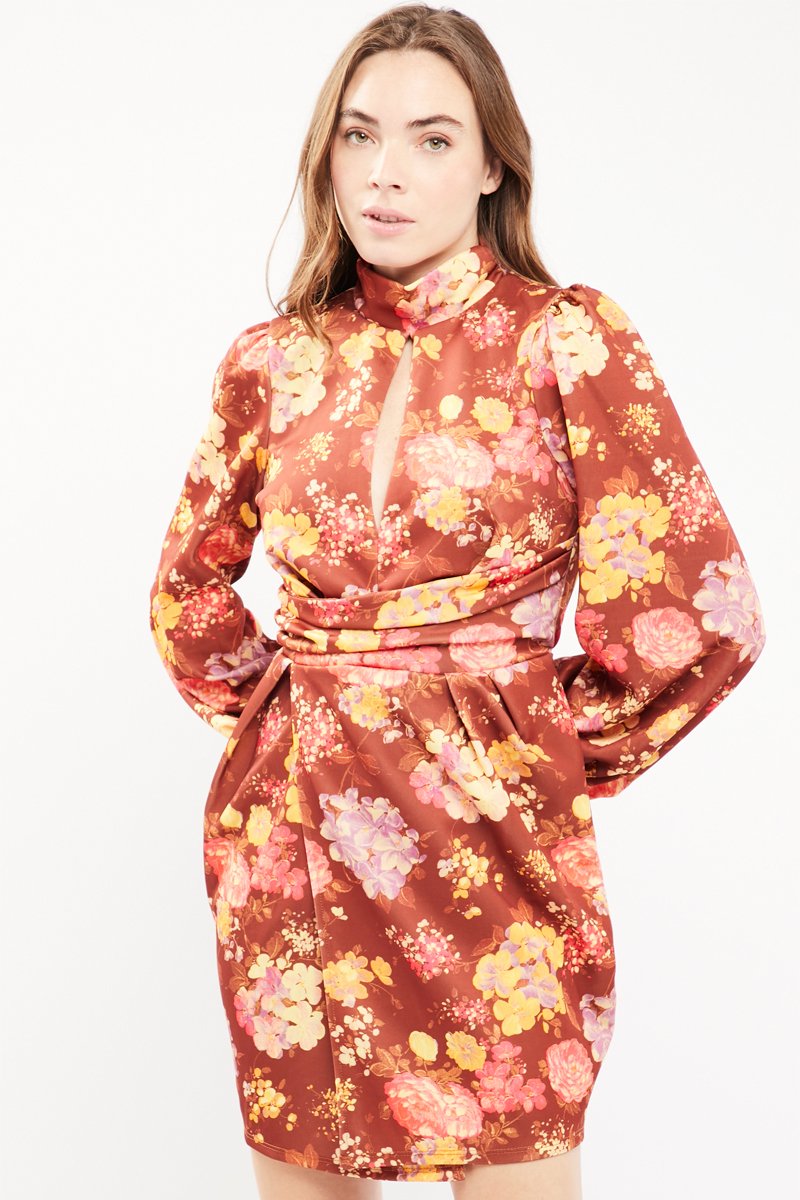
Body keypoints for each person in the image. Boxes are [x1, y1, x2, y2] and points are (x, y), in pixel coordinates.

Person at [147, 5, 766, 1198]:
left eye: (431, 139)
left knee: (518, 1161)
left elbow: (703, 612)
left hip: (491, 838)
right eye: (359, 135)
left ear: (491, 165)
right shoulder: (271, 361)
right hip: (295, 835)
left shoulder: (566, 340)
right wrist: (293, 722)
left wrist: (527, 745)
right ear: (326, 155)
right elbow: (186, 597)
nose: (385, 172)